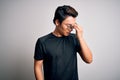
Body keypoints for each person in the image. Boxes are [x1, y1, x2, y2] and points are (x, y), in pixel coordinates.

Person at [34, 5, 93, 80]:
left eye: (73, 26)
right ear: (57, 22)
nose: (71, 29)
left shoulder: (74, 38)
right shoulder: (42, 42)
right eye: (68, 25)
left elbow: (89, 60)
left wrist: (80, 38)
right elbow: (37, 67)